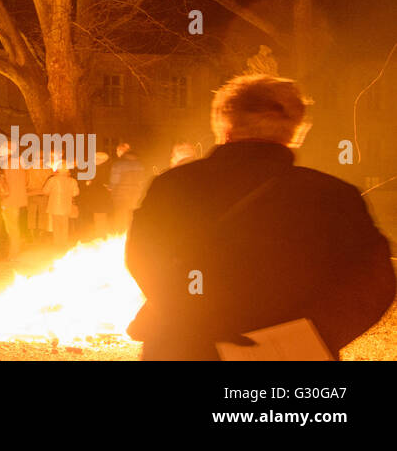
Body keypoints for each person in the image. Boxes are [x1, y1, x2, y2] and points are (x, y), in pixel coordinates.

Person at [126, 74, 396, 360]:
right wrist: (315, 332)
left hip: (182, 348)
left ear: (223, 124)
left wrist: (194, 318)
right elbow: (373, 282)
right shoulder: (333, 195)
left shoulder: (172, 186)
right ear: (296, 129)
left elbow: (143, 258)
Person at [0, 143, 27, 258]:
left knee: (11, 227)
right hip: (18, 198)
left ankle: (13, 253)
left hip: (9, 200)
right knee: (14, 226)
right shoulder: (21, 162)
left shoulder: (8, 164)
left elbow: (6, 184)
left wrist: (3, 201)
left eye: (2, 150)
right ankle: (14, 251)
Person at [109, 142, 146, 231]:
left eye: (117, 151)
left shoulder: (118, 164)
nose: (116, 153)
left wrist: (111, 188)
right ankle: (131, 235)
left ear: (121, 151)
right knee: (131, 217)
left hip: (120, 195)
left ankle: (119, 235)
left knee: (120, 217)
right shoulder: (139, 164)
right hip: (135, 195)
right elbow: (142, 180)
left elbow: (114, 180)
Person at [42, 160, 79, 248]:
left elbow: (45, 191)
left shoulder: (52, 180)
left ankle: (57, 244)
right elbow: (75, 193)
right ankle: (64, 244)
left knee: (56, 226)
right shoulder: (72, 181)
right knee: (65, 226)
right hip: (66, 206)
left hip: (54, 207)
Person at [78, 150, 113, 239]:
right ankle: (101, 234)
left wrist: (90, 183)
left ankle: (101, 235)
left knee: (99, 216)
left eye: (96, 159)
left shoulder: (101, 169)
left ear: (101, 160)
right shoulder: (106, 168)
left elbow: (99, 182)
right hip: (101, 197)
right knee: (101, 216)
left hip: (99, 197)